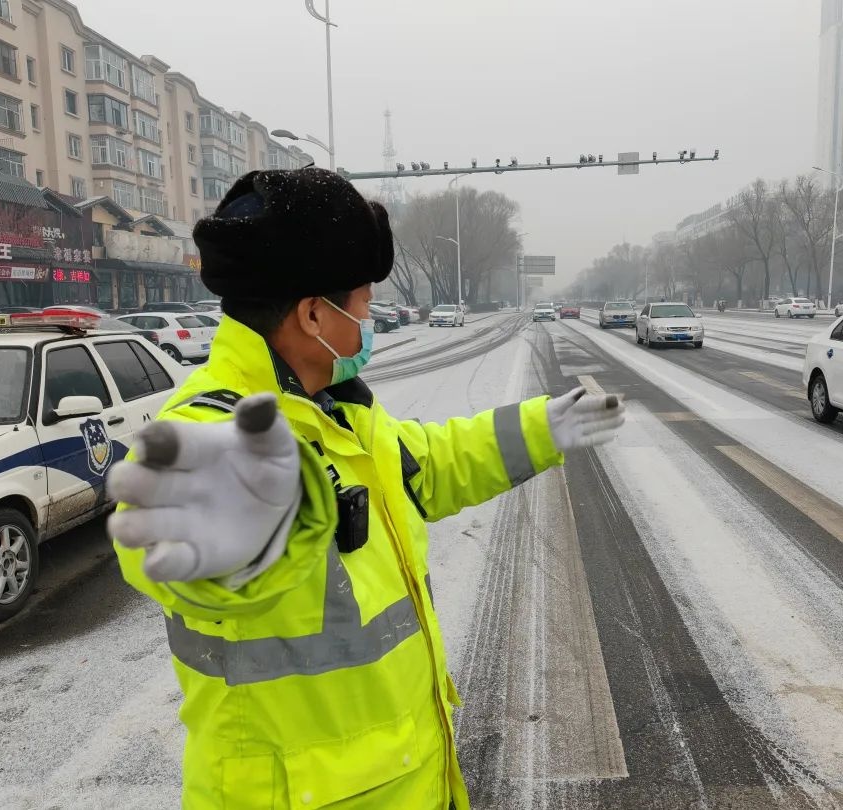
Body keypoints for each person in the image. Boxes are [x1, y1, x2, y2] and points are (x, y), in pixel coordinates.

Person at [107, 167, 625, 810]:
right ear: (314, 314)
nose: (369, 319)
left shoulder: (337, 413)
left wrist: (542, 428)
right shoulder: (218, 429)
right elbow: (177, 524)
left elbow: (427, 464)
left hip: (406, 778)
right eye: (363, 302)